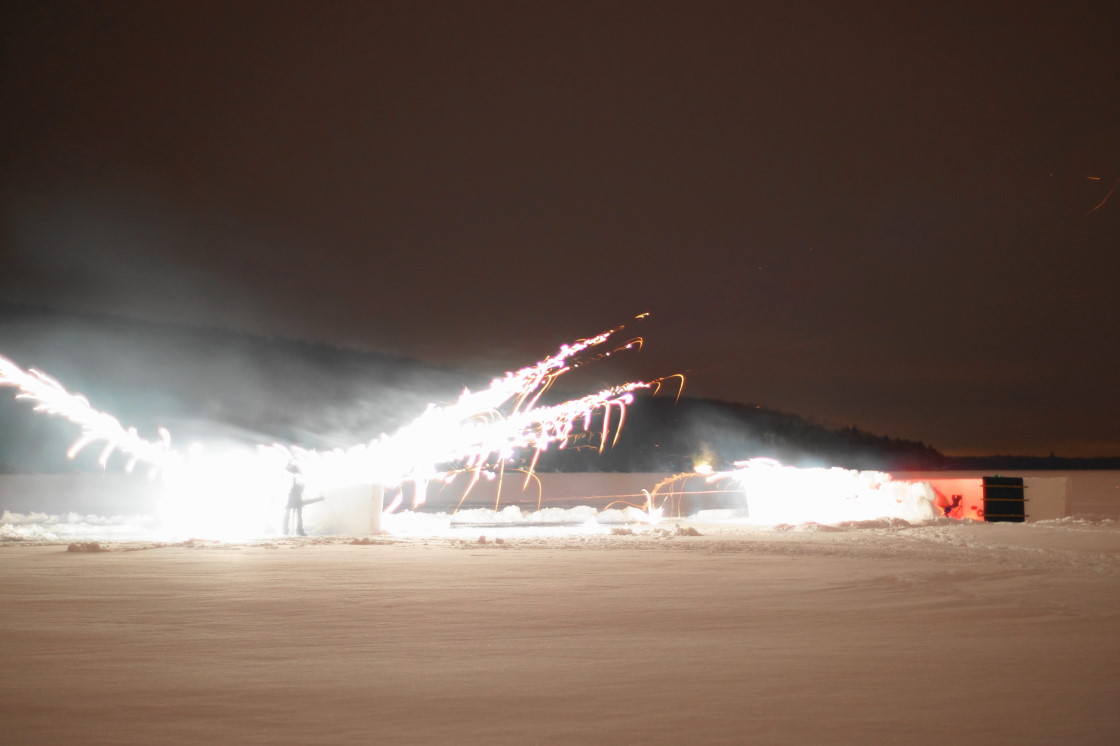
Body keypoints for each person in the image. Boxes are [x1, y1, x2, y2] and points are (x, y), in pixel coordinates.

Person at [284, 463, 324, 536]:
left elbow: (308, 500)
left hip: (294, 501)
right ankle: (290, 530)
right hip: (293, 501)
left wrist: (319, 499)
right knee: (292, 515)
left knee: (295, 515)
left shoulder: (296, 489)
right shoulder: (295, 488)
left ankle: (293, 530)